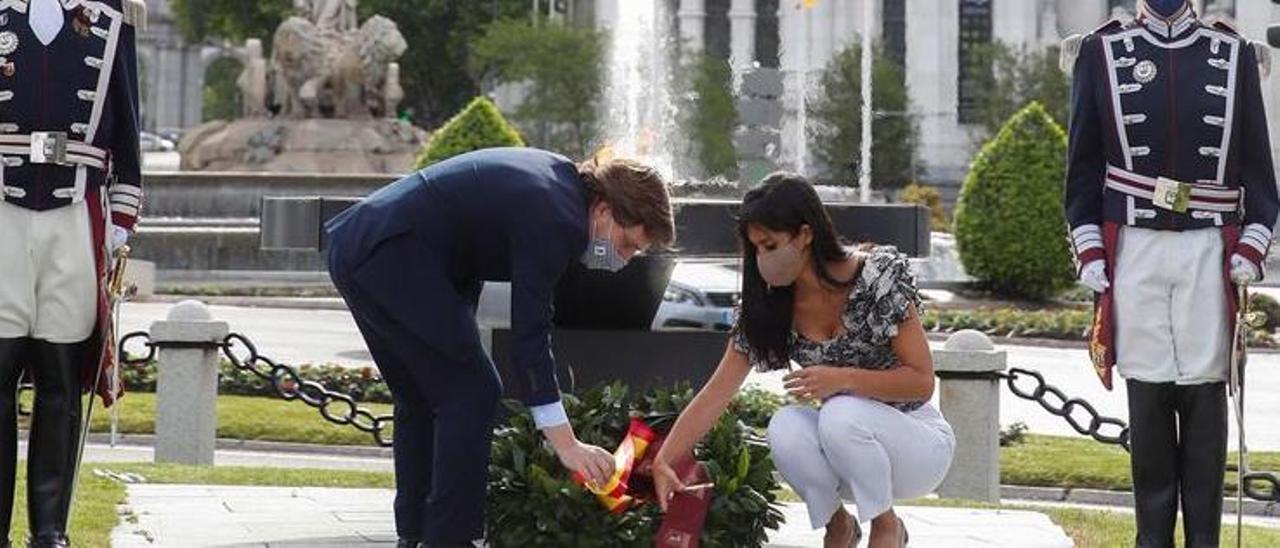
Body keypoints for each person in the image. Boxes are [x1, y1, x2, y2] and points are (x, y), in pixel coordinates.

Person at [325, 147, 675, 548]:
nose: (625, 259)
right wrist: (567, 445)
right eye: (627, 244)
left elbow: (467, 245)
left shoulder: (559, 184)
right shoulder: (559, 219)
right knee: (473, 391)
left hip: (360, 246)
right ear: (605, 210)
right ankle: (448, 539)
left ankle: (417, 531)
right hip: (393, 255)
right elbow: (530, 333)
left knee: (423, 396)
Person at [1062, 1, 1277, 546]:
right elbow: (1083, 165)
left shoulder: (1233, 54)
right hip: (1136, 249)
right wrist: (1089, 248)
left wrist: (1253, 242)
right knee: (1150, 400)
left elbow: (1258, 168)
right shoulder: (1101, 51)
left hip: (1209, 247)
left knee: (1205, 402)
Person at [650, 174, 954, 548]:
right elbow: (717, 392)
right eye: (755, 248)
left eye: (770, 244)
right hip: (849, 450)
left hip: (917, 442)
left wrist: (842, 378)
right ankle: (838, 525)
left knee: (841, 411)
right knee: (785, 426)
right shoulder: (769, 307)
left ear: (805, 234)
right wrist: (665, 458)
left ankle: (886, 526)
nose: (762, 258)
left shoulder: (876, 277)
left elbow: (922, 382)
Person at [0, 0, 144, 546]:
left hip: (75, 213)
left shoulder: (109, 23)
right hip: (1, 212)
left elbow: (127, 127)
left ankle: (50, 532)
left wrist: (122, 219)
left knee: (60, 377)